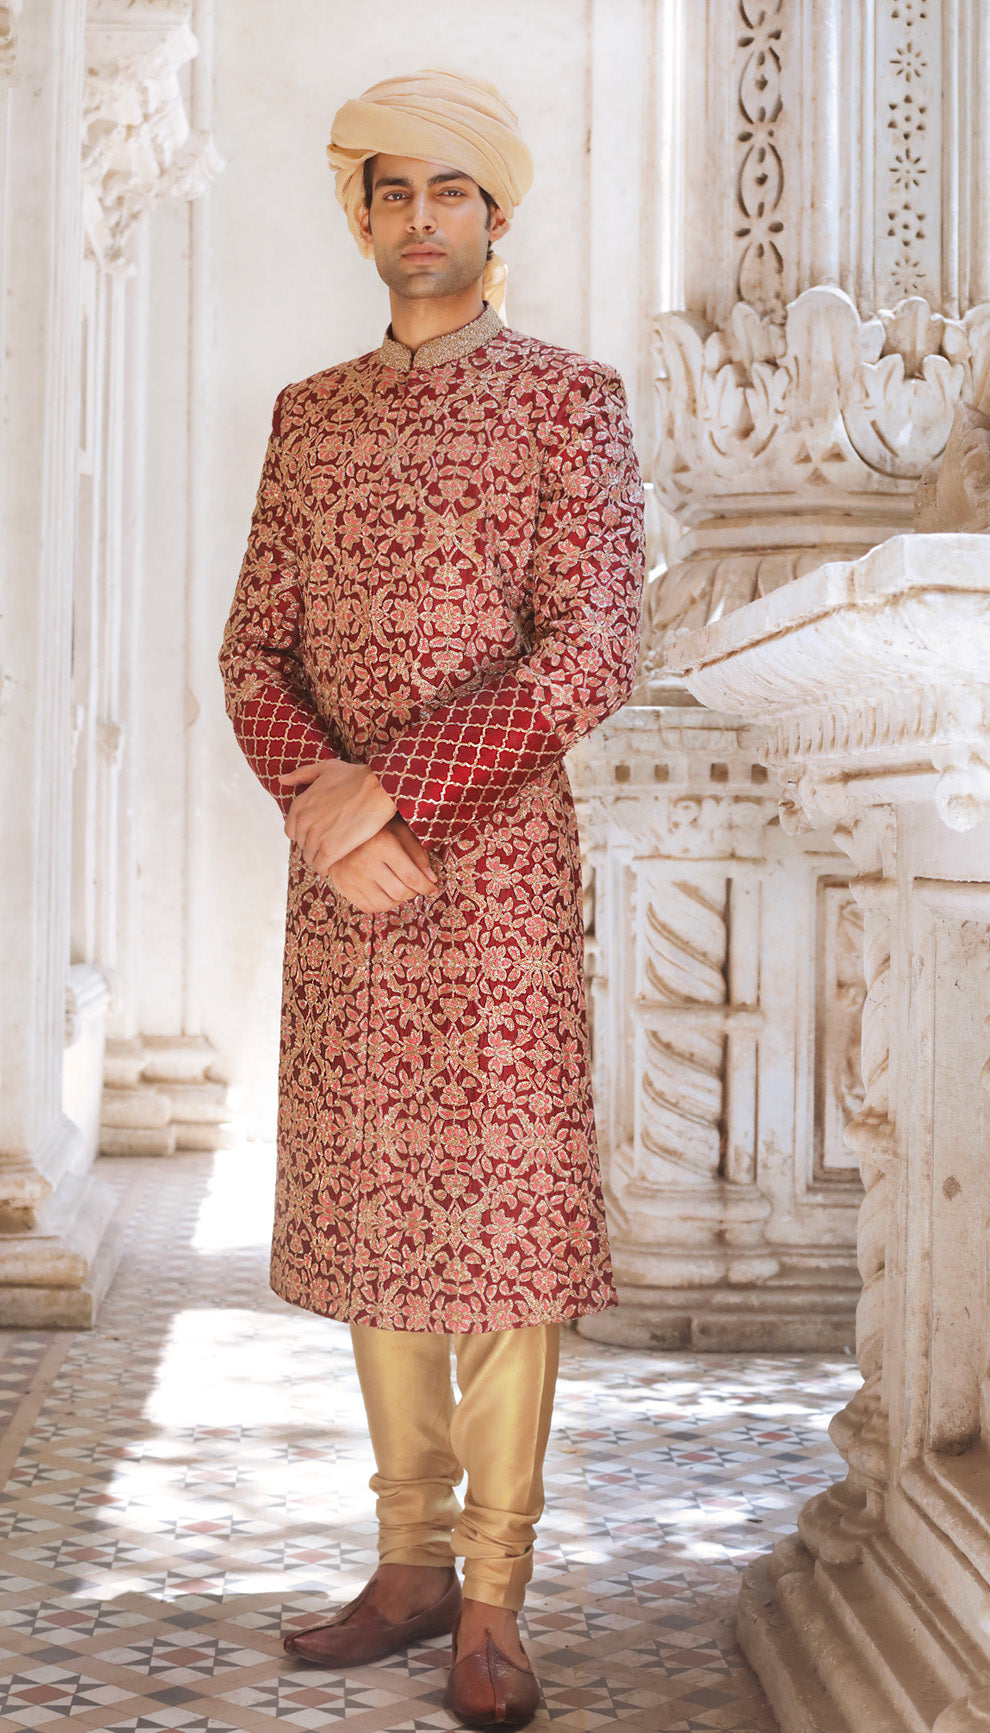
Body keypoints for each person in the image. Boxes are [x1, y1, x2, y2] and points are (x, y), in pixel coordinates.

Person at [219, 67, 645, 1730]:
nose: (418, 223)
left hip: (496, 877)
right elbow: (254, 649)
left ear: (494, 215)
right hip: (350, 887)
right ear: (363, 214)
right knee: (377, 1208)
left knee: (507, 1230)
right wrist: (323, 817)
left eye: (448, 195)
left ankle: (488, 1594)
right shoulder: (308, 414)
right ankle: (401, 1560)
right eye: (391, 193)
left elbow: (591, 648)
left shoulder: (570, 404)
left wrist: (379, 792)